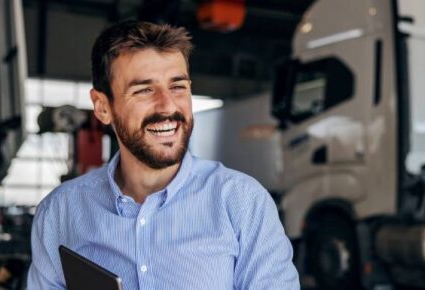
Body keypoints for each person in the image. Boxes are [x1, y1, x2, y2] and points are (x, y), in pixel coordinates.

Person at [26, 20, 300, 290]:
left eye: (178, 86)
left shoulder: (242, 203)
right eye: (144, 90)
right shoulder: (60, 212)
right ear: (102, 107)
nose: (168, 106)